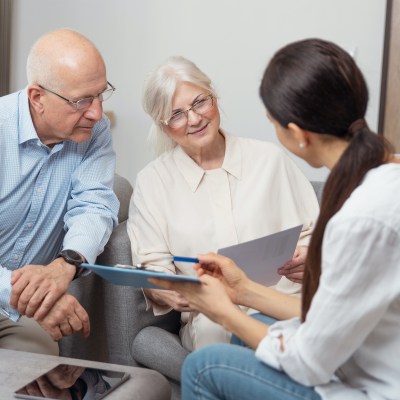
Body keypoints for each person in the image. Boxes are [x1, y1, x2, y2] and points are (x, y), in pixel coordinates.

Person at [151, 38, 400, 400]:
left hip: (375, 386)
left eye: (273, 123)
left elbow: (310, 360)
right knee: (248, 331)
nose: (192, 118)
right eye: (176, 113)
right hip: (360, 352)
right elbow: (325, 311)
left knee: (203, 366)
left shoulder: (359, 220)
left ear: (298, 135)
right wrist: (243, 291)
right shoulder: (384, 177)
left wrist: (225, 312)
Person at [127, 56, 319, 351]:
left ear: (214, 96)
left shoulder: (270, 160)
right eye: (176, 114)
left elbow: (315, 235)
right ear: (163, 127)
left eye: (199, 102)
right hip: (212, 316)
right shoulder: (152, 182)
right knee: (216, 339)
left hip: (285, 302)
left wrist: (309, 257)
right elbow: (153, 266)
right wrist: (170, 291)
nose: (194, 119)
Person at [0, 29, 120, 355]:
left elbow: (94, 204)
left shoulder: (95, 131)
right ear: (38, 97)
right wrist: (34, 297)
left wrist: (66, 264)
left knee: (38, 356)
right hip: (11, 295)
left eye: (101, 94)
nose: (96, 112)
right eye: (82, 101)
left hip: (12, 312)